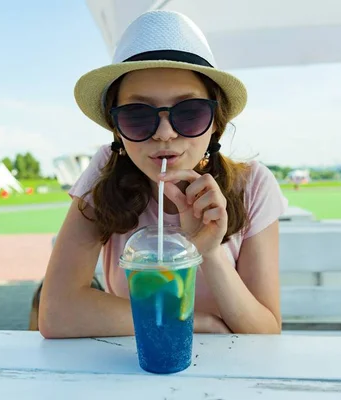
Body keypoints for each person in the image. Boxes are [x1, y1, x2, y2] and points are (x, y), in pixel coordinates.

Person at [38, 10, 288, 338]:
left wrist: (209, 251)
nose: (165, 133)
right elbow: (58, 313)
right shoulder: (105, 174)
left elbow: (265, 332)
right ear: (117, 131)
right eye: (138, 116)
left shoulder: (252, 185)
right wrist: (193, 321)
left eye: (190, 113)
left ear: (215, 124)